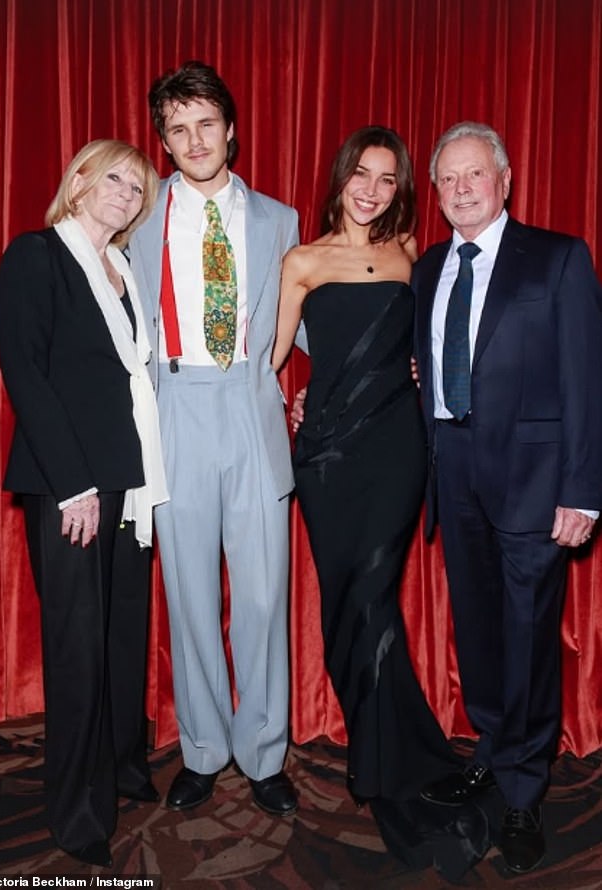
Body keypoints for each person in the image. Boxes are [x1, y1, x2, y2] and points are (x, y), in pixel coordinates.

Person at [273, 127, 490, 877]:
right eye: (360, 174)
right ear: (339, 179)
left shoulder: (410, 262)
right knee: (350, 604)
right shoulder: (301, 261)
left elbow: (439, 343)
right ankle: (392, 745)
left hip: (396, 450)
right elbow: (270, 364)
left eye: (387, 179)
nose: (371, 188)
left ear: (401, 191)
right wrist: (292, 406)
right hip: (327, 460)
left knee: (371, 594)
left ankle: (384, 759)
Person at [412, 121, 602, 874]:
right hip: (452, 473)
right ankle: (493, 748)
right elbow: (429, 364)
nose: (461, 189)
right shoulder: (429, 266)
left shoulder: (557, 258)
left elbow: (587, 380)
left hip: (533, 485)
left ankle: (524, 792)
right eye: (448, 179)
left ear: (505, 179)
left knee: (527, 637)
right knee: (480, 630)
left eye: (474, 175)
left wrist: (583, 490)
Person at [128, 61, 298, 817]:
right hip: (177, 405)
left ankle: (265, 753)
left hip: (252, 405)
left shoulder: (279, 220)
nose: (194, 141)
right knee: (189, 593)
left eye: (205, 124)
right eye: (177, 129)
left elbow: (306, 317)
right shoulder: (138, 218)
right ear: (163, 142)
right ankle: (203, 748)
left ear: (230, 128)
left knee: (263, 594)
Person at [0, 140, 169, 867]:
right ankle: (77, 810)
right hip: (73, 485)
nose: (128, 193)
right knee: (77, 645)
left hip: (131, 481)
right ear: (79, 181)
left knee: (123, 634)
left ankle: (122, 764)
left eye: (139, 188)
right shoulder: (36, 256)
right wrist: (74, 485)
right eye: (117, 179)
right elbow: (26, 374)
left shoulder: (123, 271)